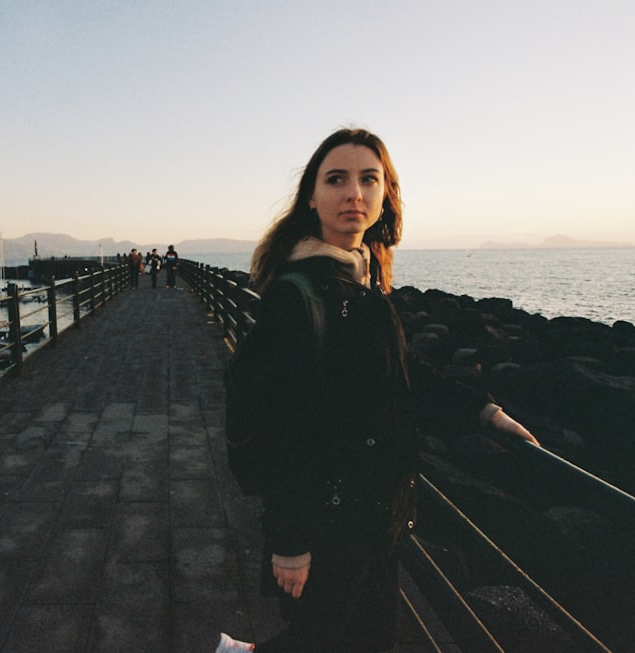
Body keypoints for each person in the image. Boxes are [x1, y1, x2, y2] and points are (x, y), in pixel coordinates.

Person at [231, 128, 539, 652]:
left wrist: (483, 411)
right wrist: (289, 540)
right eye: (337, 179)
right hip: (329, 530)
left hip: (376, 522)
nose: (355, 192)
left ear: (384, 192)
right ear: (312, 196)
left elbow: (400, 371)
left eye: (368, 179)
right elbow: (269, 422)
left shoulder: (361, 277)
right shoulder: (297, 295)